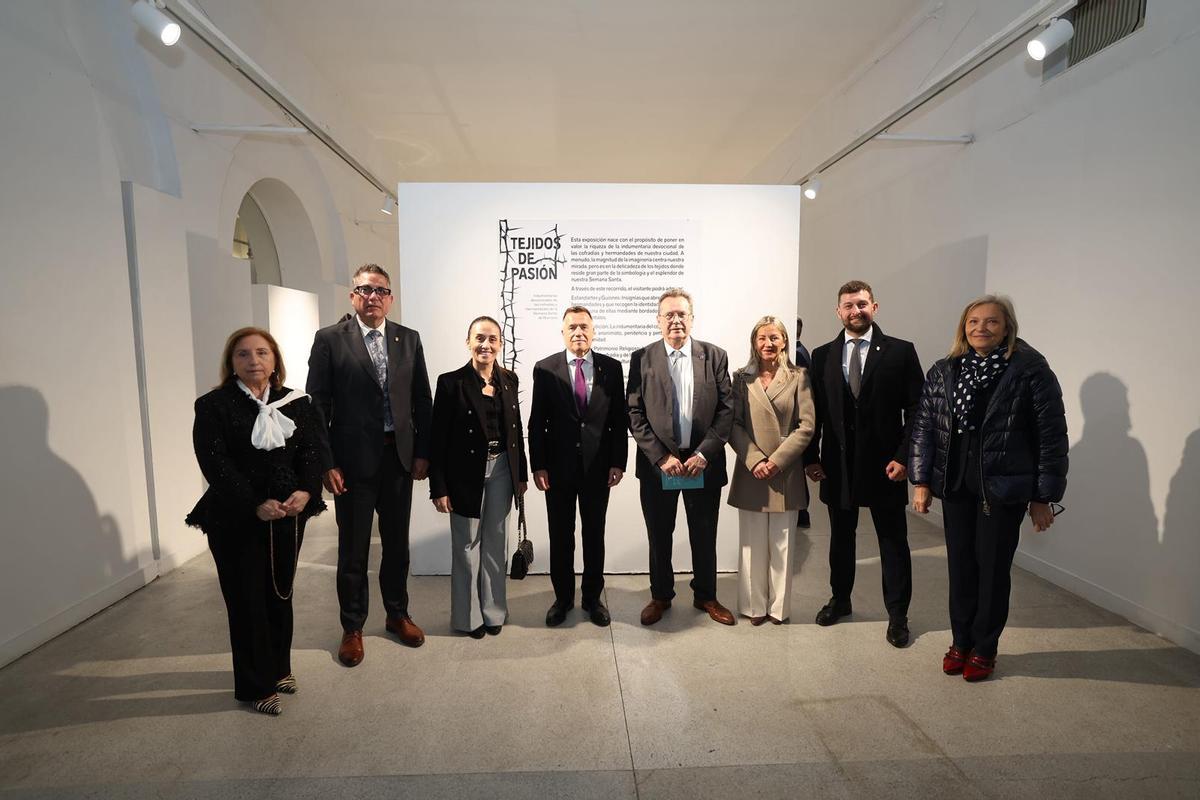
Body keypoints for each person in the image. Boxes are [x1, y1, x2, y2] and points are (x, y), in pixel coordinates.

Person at [910, 295, 1067, 681]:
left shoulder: (1030, 370)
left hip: (1003, 488)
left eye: (991, 321)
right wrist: (921, 481)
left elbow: (1050, 437)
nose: (981, 328)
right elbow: (925, 428)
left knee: (993, 571)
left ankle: (984, 648)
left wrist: (1043, 497)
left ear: (1007, 326)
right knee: (961, 568)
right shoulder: (945, 370)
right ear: (963, 328)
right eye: (973, 321)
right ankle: (961, 641)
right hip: (957, 485)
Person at [187, 327, 326, 716]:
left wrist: (307, 491)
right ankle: (255, 685)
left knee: (280, 592)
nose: (254, 361)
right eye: (243, 354)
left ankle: (279, 668)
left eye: (262, 353)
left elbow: (312, 451)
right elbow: (214, 462)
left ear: (274, 359)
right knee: (246, 599)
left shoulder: (296, 402)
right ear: (231, 362)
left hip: (287, 515)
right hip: (235, 517)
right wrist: (253, 504)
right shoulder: (213, 405)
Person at [306, 264, 433, 667]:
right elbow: (317, 405)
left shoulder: (408, 339)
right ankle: (352, 626)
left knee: (397, 546)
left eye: (380, 290)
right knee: (353, 549)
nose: (372, 296)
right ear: (353, 296)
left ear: (390, 298)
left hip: (398, 459)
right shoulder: (330, 340)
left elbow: (422, 400)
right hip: (351, 464)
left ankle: (397, 614)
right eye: (364, 289)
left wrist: (422, 452)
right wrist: (326, 463)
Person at [803, 280, 924, 647]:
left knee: (893, 541)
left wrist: (904, 458)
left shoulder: (901, 352)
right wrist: (810, 457)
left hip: (887, 467)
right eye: (848, 306)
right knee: (841, 539)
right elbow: (813, 413)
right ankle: (840, 600)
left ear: (874, 307)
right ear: (838, 312)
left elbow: (917, 411)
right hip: (837, 467)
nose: (855, 311)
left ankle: (898, 616)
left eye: (861, 304)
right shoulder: (822, 355)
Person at [627, 288, 735, 626]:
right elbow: (634, 412)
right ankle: (660, 596)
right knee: (659, 535)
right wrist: (661, 457)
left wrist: (705, 453)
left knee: (704, 534)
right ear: (658, 321)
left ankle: (706, 596)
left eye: (681, 314)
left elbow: (727, 409)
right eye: (669, 315)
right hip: (660, 466)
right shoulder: (642, 358)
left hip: (702, 463)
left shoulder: (714, 356)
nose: (675, 320)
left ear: (692, 318)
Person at [429, 316, 528, 638]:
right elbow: (437, 439)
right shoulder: (451, 383)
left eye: (492, 339)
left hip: (502, 470)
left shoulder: (509, 379)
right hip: (463, 473)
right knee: (466, 545)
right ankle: (468, 618)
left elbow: (515, 431)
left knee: (496, 543)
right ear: (468, 342)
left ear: (501, 343)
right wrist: (438, 486)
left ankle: (494, 612)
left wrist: (521, 475)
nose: (486, 344)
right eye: (480, 338)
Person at [529, 306, 628, 628]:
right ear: (562, 333)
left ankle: (591, 598)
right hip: (557, 470)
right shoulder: (545, 368)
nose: (578, 332)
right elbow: (536, 422)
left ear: (594, 331)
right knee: (561, 536)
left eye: (584, 326)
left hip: (598, 469)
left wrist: (618, 461)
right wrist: (538, 465)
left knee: (594, 535)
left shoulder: (611, 368)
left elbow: (618, 419)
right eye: (572, 327)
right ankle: (562, 599)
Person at [727, 317, 816, 624]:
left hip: (784, 470)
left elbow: (807, 426)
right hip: (751, 469)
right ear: (754, 342)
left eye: (774, 337)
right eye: (762, 338)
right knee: (751, 545)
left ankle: (778, 609)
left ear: (785, 341)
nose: (768, 343)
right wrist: (755, 460)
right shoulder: (741, 378)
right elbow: (733, 424)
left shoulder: (799, 376)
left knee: (783, 545)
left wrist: (776, 461)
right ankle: (753, 607)